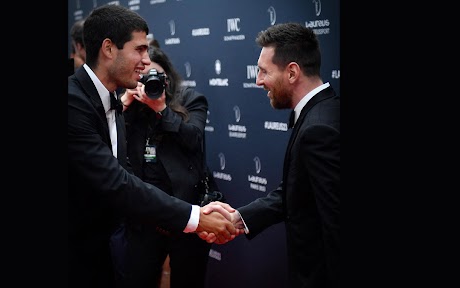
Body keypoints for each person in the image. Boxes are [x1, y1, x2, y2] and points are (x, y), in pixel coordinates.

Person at [68, 5, 240, 288]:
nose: (146, 61)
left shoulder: (106, 102)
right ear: (109, 49)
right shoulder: (75, 103)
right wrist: (195, 217)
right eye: (139, 50)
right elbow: (118, 183)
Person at [201, 22, 340, 288]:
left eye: (264, 71)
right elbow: (294, 193)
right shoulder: (321, 113)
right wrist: (238, 220)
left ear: (292, 72)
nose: (258, 80)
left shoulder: (319, 129)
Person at [114, 45, 212, 288]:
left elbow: (194, 140)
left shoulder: (191, 99)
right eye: (145, 77)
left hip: (187, 210)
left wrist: (162, 109)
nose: (152, 82)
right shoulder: (130, 104)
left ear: (167, 77)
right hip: (145, 213)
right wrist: (122, 106)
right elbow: (107, 143)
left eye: (157, 76)